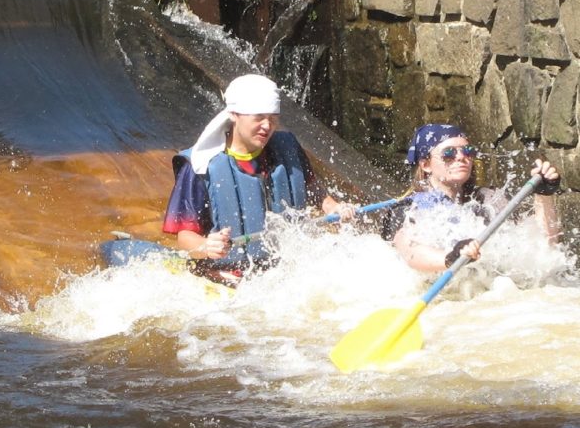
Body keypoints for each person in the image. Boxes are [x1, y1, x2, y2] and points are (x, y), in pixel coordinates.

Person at [161, 74, 356, 282]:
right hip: (226, 275)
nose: (267, 126)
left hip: (283, 270)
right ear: (235, 114)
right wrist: (206, 246)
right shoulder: (199, 166)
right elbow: (184, 238)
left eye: (272, 118)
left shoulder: (287, 149)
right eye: (259, 117)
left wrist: (332, 207)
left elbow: (313, 189)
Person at [390, 124, 561, 273]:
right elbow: (409, 252)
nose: (461, 157)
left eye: (467, 151)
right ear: (426, 165)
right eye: (448, 153)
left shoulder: (489, 200)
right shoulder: (408, 209)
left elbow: (542, 248)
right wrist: (450, 258)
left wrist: (544, 195)